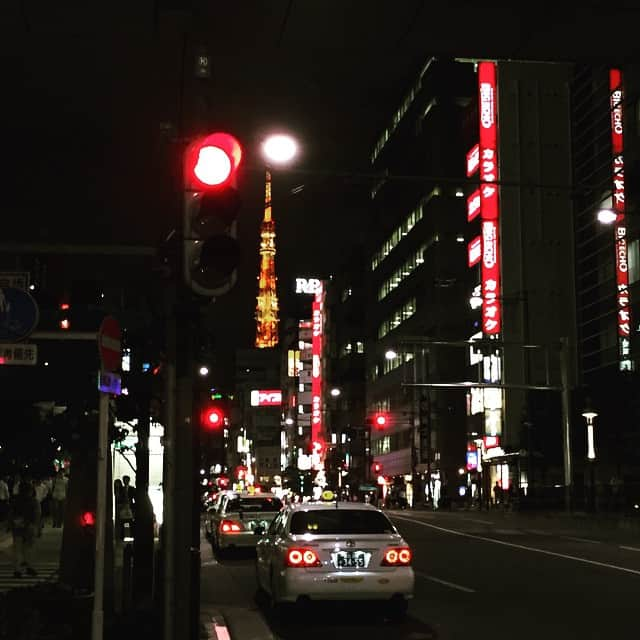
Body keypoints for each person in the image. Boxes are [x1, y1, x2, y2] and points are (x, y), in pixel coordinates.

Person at [8, 480, 41, 578]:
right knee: (29, 548)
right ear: (30, 490)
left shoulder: (15, 500)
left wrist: (11, 524)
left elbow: (10, 513)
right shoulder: (34, 501)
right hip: (29, 527)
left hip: (17, 526)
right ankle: (29, 567)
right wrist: (38, 528)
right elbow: (37, 515)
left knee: (17, 549)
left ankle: (17, 570)